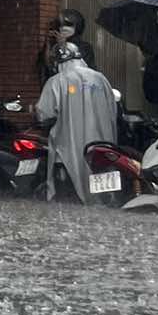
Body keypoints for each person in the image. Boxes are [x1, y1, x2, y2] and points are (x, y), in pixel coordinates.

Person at [32, 41, 118, 201]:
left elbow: (44, 114)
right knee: (105, 200)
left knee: (69, 201)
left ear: (58, 63)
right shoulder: (101, 79)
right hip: (103, 149)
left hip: (69, 151)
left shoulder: (57, 81)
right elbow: (113, 110)